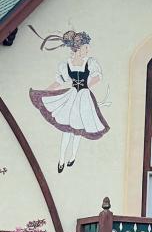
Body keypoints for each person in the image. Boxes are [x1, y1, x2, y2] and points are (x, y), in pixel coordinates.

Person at [28, 26, 109, 172]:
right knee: (67, 129)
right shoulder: (67, 65)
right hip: (72, 96)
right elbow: (59, 81)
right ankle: (61, 159)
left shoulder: (89, 62)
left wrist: (86, 87)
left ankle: (72, 157)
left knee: (78, 129)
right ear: (78, 48)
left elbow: (97, 77)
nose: (87, 50)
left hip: (83, 97)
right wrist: (44, 92)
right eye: (85, 47)